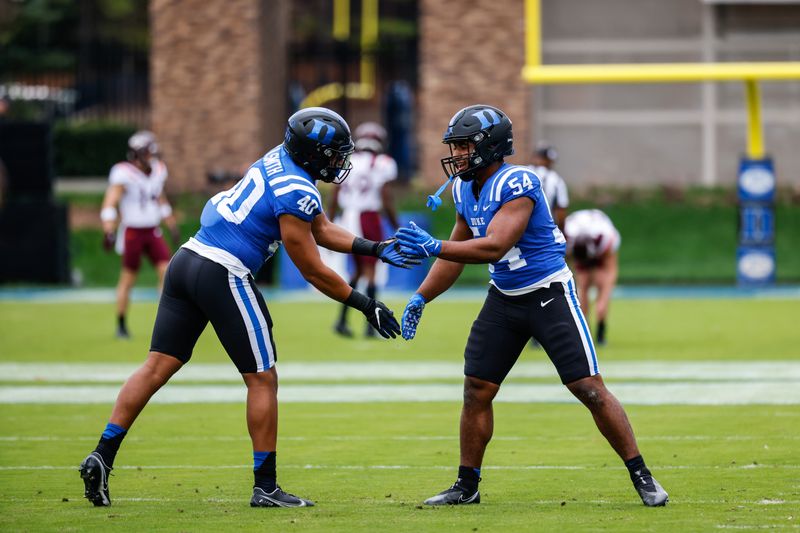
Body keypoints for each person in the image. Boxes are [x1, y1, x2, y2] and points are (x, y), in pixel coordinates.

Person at [79, 107, 415, 509]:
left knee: (155, 366)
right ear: (312, 153)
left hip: (189, 258)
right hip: (224, 271)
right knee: (262, 379)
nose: (338, 162)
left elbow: (321, 228)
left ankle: (102, 453)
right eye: (332, 153)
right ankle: (266, 487)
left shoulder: (279, 158)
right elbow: (311, 269)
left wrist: (374, 249)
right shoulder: (298, 189)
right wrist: (365, 304)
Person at [395, 104, 668, 507]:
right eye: (455, 147)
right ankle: (466, 485)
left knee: (588, 388)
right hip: (503, 298)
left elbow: (494, 245)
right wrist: (422, 296)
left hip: (546, 294)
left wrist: (433, 244)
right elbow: (455, 253)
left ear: (489, 146)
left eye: (465, 146)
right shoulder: (461, 189)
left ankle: (642, 475)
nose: (457, 155)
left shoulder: (518, 181)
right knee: (476, 389)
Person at [100, 131, 180, 339]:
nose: (151, 157)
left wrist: (171, 224)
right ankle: (121, 323)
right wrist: (108, 228)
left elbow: (159, 198)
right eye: (147, 153)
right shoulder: (123, 173)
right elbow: (110, 202)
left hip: (152, 230)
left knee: (167, 272)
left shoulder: (158, 170)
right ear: (136, 154)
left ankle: (165, 323)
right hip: (133, 232)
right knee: (128, 279)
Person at [329, 122, 400, 337]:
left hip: (347, 215)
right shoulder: (383, 162)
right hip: (367, 216)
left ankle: (341, 321)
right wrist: (397, 225)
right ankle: (370, 326)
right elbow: (386, 198)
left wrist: (330, 222)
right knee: (370, 272)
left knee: (358, 271)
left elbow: (334, 196)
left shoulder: (347, 161)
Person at [564, 209, 621, 346]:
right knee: (582, 285)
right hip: (578, 243)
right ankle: (585, 330)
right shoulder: (565, 236)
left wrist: (603, 297)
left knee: (603, 285)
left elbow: (611, 270)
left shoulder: (607, 238)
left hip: (600, 244)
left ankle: (600, 328)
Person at [531, 141, 569, 232]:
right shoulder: (556, 180)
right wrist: (562, 233)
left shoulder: (522, 172)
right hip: (545, 231)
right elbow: (561, 211)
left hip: (520, 229)